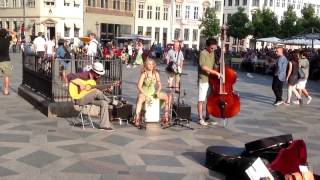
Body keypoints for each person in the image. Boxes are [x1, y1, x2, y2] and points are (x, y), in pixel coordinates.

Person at [67, 62, 115, 131]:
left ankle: (104, 126)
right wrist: (80, 84)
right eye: (98, 74)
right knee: (96, 91)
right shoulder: (85, 75)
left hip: (89, 98)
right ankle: (112, 102)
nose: (99, 75)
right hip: (79, 98)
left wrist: (107, 89)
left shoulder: (96, 79)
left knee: (104, 103)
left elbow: (99, 91)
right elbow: (69, 76)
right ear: (93, 71)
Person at [133, 58, 169, 128]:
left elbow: (159, 85)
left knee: (166, 97)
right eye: (149, 64)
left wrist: (158, 91)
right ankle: (137, 117)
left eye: (152, 64)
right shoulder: (144, 74)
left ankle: (166, 116)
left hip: (153, 93)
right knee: (140, 99)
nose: (151, 65)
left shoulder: (156, 74)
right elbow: (139, 86)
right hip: (144, 92)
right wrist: (145, 95)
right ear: (146, 65)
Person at [197, 38, 221, 126]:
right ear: (207, 46)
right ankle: (200, 118)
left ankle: (207, 116)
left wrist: (222, 54)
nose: (213, 50)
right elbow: (203, 67)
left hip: (211, 79)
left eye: (214, 48)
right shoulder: (203, 53)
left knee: (210, 99)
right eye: (211, 48)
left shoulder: (213, 52)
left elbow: (217, 63)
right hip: (203, 79)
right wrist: (215, 72)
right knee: (201, 100)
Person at [0, 28, 16, 95]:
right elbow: (15, 33)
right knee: (6, 76)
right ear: (6, 34)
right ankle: (6, 91)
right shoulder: (8, 39)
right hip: (6, 60)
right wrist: (8, 30)